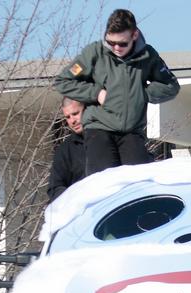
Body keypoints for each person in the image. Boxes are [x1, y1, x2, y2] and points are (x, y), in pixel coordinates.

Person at [54, 8, 180, 176]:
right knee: (104, 180)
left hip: (132, 130)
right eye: (111, 42)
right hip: (99, 127)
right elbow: (63, 81)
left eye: (122, 43)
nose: (116, 48)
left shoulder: (148, 55)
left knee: (137, 180)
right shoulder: (95, 53)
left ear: (134, 35)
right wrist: (96, 93)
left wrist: (142, 94)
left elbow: (171, 85)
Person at [47, 97, 87, 202]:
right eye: (68, 117)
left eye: (75, 114)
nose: (72, 121)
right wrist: (75, 199)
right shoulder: (64, 151)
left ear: (86, 110)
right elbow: (54, 188)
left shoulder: (107, 138)